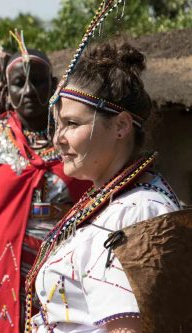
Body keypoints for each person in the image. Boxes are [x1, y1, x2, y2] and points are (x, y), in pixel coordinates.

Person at [25, 42, 181, 333]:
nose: (57, 138)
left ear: (121, 126)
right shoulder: (106, 204)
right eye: (57, 125)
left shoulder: (139, 212)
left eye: (71, 123)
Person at [0, 35, 91, 333]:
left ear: (54, 83)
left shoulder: (74, 138)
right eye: (18, 83)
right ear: (7, 88)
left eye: (39, 82)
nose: (29, 91)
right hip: (4, 269)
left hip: (65, 264)